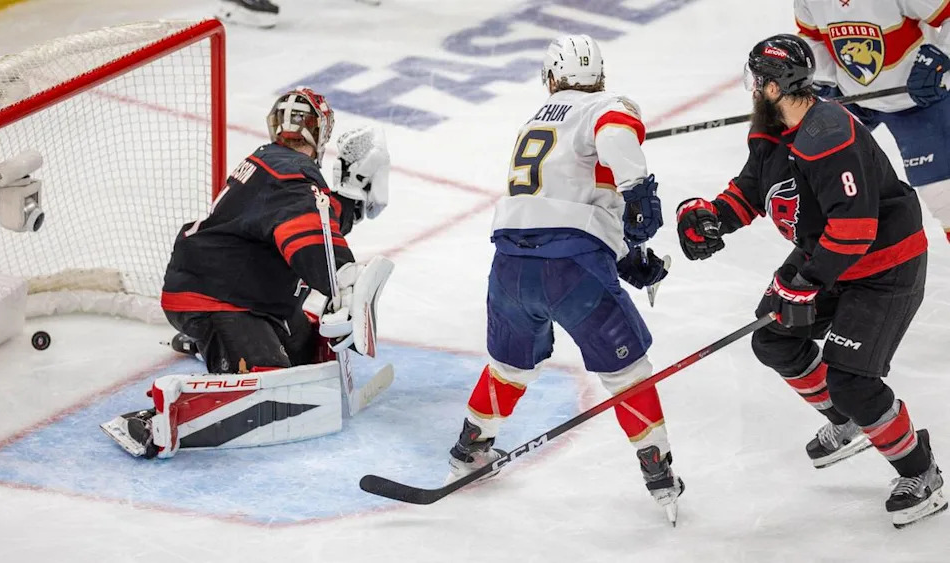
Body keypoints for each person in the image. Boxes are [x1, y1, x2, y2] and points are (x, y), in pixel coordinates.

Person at [676, 34, 945, 528]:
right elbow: (756, 187)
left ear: (775, 87)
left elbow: (855, 228)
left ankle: (921, 472)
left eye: (757, 80)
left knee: (852, 380)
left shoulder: (829, 134)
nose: (752, 89)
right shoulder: (773, 127)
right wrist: (713, 215)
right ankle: (846, 421)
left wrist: (808, 282)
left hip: (883, 267)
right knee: (774, 338)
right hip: (827, 256)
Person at [443, 34, 682, 523]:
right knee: (628, 373)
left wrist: (623, 255)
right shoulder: (605, 107)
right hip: (572, 269)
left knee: (509, 367)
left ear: (551, 77)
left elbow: (560, 209)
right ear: (600, 76)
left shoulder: (534, 122)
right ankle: (657, 470)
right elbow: (615, 143)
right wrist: (637, 190)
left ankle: (471, 445)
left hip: (509, 265)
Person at [101, 87, 392, 458]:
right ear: (320, 132)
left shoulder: (275, 165)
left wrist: (351, 197)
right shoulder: (293, 177)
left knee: (308, 350)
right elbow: (306, 236)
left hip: (235, 292)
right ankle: (157, 419)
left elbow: (314, 217)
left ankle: (208, 344)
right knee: (270, 379)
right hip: (217, 299)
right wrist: (342, 279)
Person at [795, 0, 950, 242]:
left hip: (920, 101)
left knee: (942, 195)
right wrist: (828, 79)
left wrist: (941, 56)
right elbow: (811, 37)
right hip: (856, 102)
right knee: (827, 185)